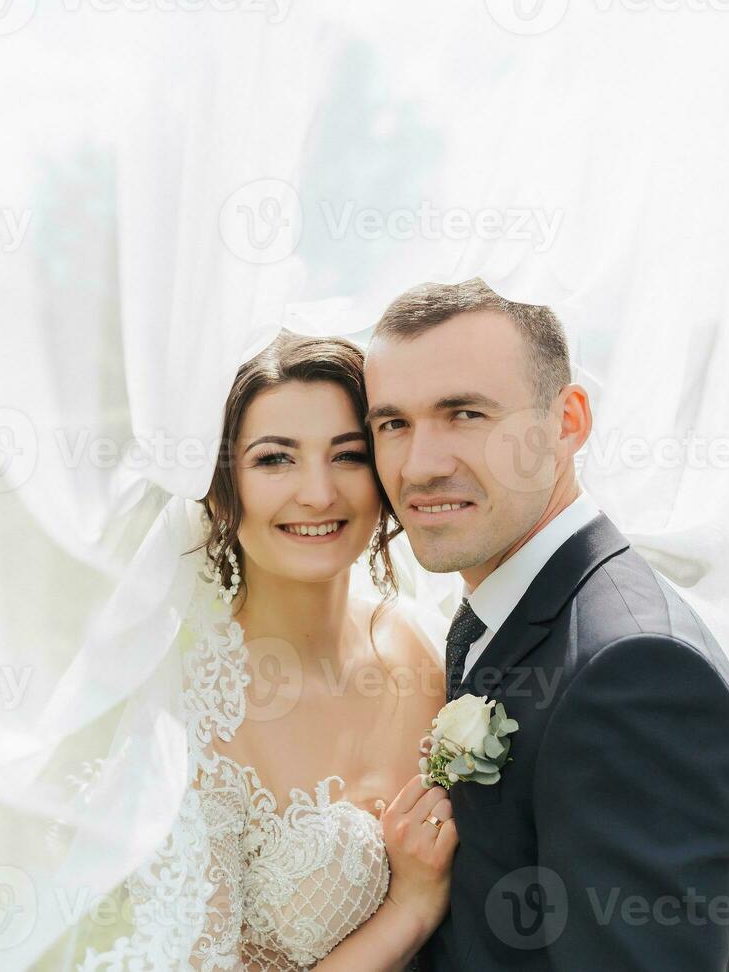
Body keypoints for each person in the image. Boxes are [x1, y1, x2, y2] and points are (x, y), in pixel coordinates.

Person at [363, 278, 729, 970]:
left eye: (464, 415)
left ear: (568, 422)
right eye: (393, 423)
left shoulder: (637, 676)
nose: (420, 465)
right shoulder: (500, 619)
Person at [85, 332, 456, 970]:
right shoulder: (193, 719)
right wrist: (411, 909)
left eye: (348, 455)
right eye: (275, 459)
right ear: (221, 489)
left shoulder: (425, 645)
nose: (317, 493)